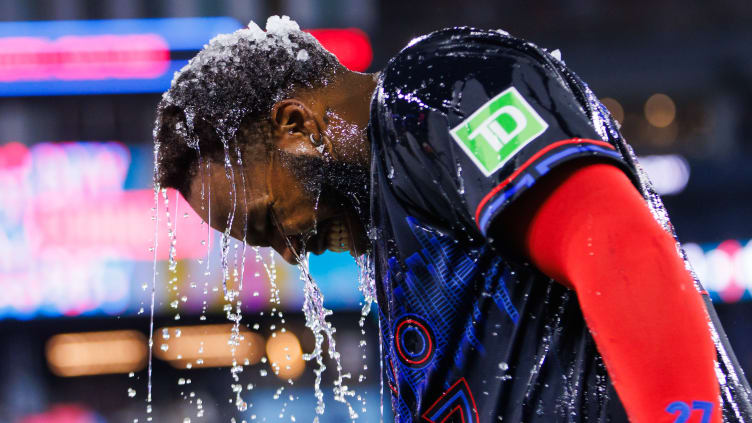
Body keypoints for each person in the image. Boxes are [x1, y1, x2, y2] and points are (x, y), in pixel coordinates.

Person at [154, 16, 752, 422]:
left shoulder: (430, 91)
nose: (289, 252)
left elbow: (612, 240)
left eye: (267, 222)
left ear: (297, 125)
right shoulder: (396, 214)